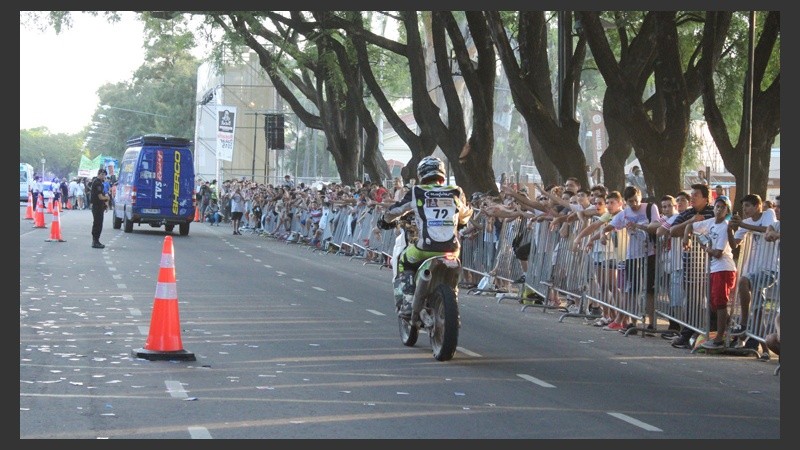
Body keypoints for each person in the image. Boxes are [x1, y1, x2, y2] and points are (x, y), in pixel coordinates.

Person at [378, 156, 473, 319]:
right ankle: (454, 305)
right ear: (442, 173)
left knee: (403, 260)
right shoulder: (455, 191)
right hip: (452, 250)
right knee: (453, 277)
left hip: (425, 248)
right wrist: (459, 224)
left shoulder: (417, 191)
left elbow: (396, 210)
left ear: (421, 174)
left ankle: (408, 302)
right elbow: (465, 215)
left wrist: (384, 220)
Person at [683, 196, 737, 350]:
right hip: (713, 268)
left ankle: (720, 337)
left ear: (727, 210)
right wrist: (686, 239)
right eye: (717, 206)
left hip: (724, 268)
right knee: (713, 303)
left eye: (723, 207)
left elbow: (718, 253)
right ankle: (728, 331)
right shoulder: (711, 222)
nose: (719, 210)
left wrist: (706, 248)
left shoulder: (725, 227)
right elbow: (690, 226)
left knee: (720, 303)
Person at [90, 168, 110, 249]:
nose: (103, 176)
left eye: (104, 175)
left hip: (99, 206)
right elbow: (100, 197)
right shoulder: (97, 183)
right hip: (97, 206)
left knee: (98, 223)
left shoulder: (100, 183)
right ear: (99, 174)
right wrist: (107, 198)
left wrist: (105, 204)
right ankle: (95, 241)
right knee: (97, 224)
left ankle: (96, 240)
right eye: (102, 174)